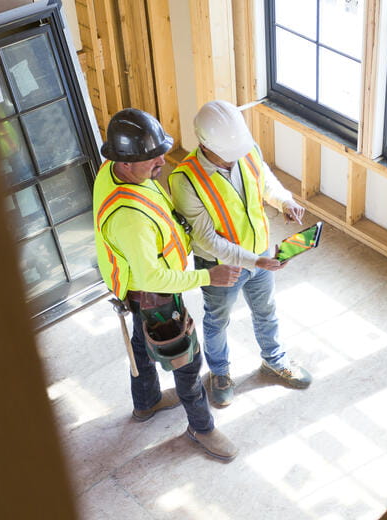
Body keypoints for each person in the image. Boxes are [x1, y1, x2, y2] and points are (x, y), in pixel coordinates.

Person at [93, 108, 242, 461]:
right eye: (151, 157)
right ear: (125, 162)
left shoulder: (112, 172)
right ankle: (201, 428)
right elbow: (153, 277)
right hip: (153, 296)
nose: (162, 160)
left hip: (132, 290)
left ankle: (146, 403)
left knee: (142, 346)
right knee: (186, 362)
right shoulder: (129, 218)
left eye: (160, 150)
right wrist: (208, 275)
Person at [169, 100, 313, 407]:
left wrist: (285, 201)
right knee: (217, 320)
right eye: (227, 156)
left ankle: (274, 360)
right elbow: (207, 239)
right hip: (222, 266)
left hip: (259, 253)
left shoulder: (246, 149)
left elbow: (265, 181)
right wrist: (254, 260)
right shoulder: (184, 180)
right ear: (205, 144)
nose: (235, 160)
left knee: (266, 310)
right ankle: (219, 373)